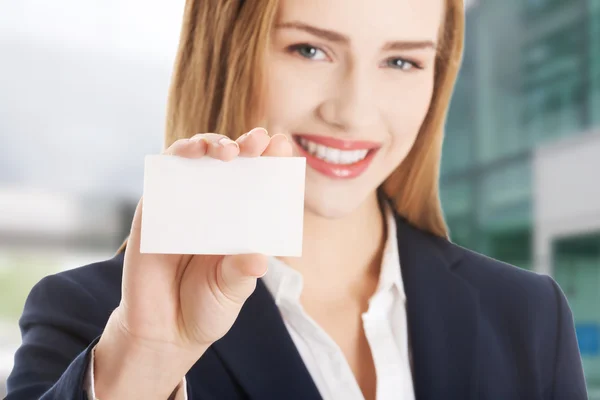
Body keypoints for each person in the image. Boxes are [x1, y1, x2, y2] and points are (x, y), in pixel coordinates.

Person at [6, 0, 588, 398]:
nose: (352, 110)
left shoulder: (528, 315)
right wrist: (146, 358)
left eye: (402, 60)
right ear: (227, 48)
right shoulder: (93, 318)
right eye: (310, 50)